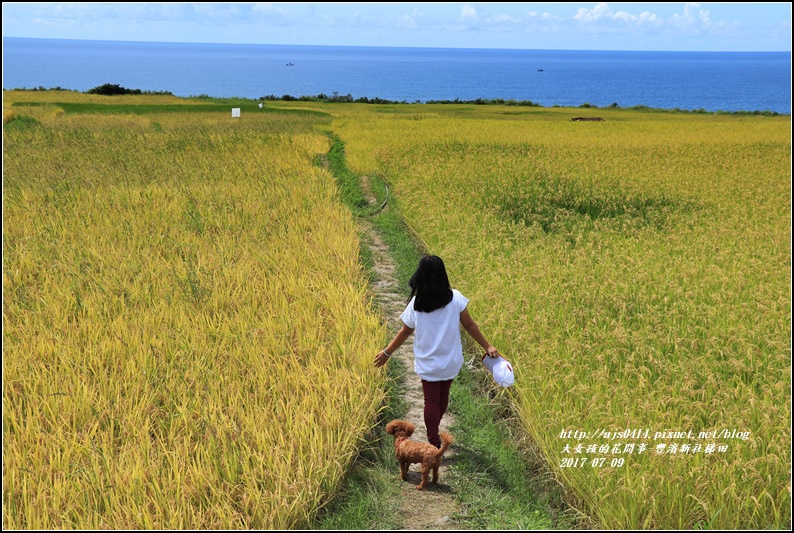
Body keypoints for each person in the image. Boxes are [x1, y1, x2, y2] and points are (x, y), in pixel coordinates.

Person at [374, 255, 500, 448]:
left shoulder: (416, 303)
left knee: (431, 400)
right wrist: (487, 346)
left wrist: (387, 353)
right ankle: (435, 435)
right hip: (451, 359)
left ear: (421, 276)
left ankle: (433, 441)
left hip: (428, 362)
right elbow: (469, 324)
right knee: (443, 397)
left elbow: (405, 331)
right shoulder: (455, 298)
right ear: (443, 275)